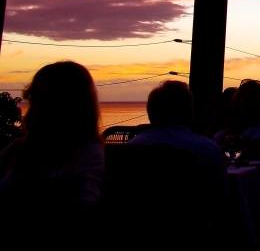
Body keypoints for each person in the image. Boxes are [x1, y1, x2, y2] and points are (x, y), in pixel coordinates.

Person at [0, 61, 105, 240]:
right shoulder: (16, 149)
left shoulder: (87, 152)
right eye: (35, 98)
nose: (35, 107)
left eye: (44, 98)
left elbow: (85, 208)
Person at [129, 80, 227, 190]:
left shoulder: (129, 149)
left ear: (150, 113)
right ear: (190, 112)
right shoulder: (207, 149)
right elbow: (222, 197)